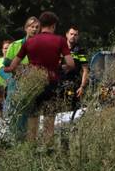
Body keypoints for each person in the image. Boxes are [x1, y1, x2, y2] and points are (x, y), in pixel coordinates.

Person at [8, 11, 73, 142]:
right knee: (49, 116)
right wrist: (62, 68)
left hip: (34, 83)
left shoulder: (29, 42)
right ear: (53, 25)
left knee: (33, 116)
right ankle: (47, 147)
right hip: (51, 82)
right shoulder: (60, 40)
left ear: (41, 24)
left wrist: (11, 69)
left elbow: (13, 66)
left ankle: (31, 147)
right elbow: (71, 63)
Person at [3, 17, 39, 124]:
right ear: (26, 28)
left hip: (33, 84)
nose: (34, 29)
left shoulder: (41, 46)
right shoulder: (15, 45)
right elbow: (5, 67)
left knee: (30, 116)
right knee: (13, 115)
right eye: (32, 27)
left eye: (37, 27)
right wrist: (20, 69)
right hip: (16, 83)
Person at [60, 26, 90, 110]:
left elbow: (85, 70)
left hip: (74, 84)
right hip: (59, 83)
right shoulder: (60, 47)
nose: (73, 36)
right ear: (67, 35)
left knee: (73, 109)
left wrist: (82, 87)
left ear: (78, 37)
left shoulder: (80, 50)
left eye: (75, 35)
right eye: (71, 34)